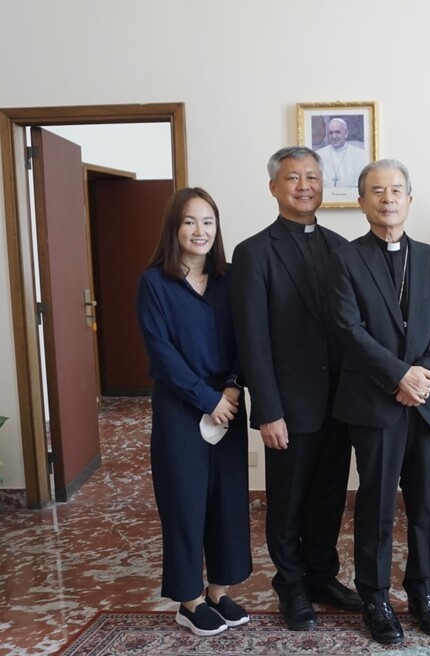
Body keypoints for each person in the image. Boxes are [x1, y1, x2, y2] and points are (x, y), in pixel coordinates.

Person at [328, 159, 430, 645]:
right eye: (377, 191)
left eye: (397, 190)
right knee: (377, 507)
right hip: (374, 404)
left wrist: (420, 378)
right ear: (362, 202)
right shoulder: (345, 259)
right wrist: (397, 376)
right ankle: (376, 597)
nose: (388, 198)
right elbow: (348, 330)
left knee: (425, 506)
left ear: (410, 199)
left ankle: (424, 592)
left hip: (425, 404)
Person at [231, 146, 360, 631]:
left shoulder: (341, 247)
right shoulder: (253, 252)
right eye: (293, 178)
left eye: (312, 176)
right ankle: (291, 587)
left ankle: (323, 575)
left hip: (340, 402)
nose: (304, 185)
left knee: (330, 495)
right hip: (288, 405)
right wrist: (267, 409)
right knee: (287, 500)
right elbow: (252, 338)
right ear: (273, 187)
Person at [136, 187, 251, 637]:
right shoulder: (154, 283)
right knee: (185, 503)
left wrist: (232, 386)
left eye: (207, 221)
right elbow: (161, 353)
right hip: (181, 409)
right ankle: (189, 599)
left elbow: (248, 338)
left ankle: (219, 591)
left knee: (226, 500)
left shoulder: (230, 278)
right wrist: (208, 400)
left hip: (230, 401)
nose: (199, 230)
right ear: (174, 227)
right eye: (189, 221)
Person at [316, 117, 369, 194]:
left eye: (337, 132)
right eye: (331, 133)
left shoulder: (360, 154)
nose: (334, 136)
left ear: (346, 133)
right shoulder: (319, 155)